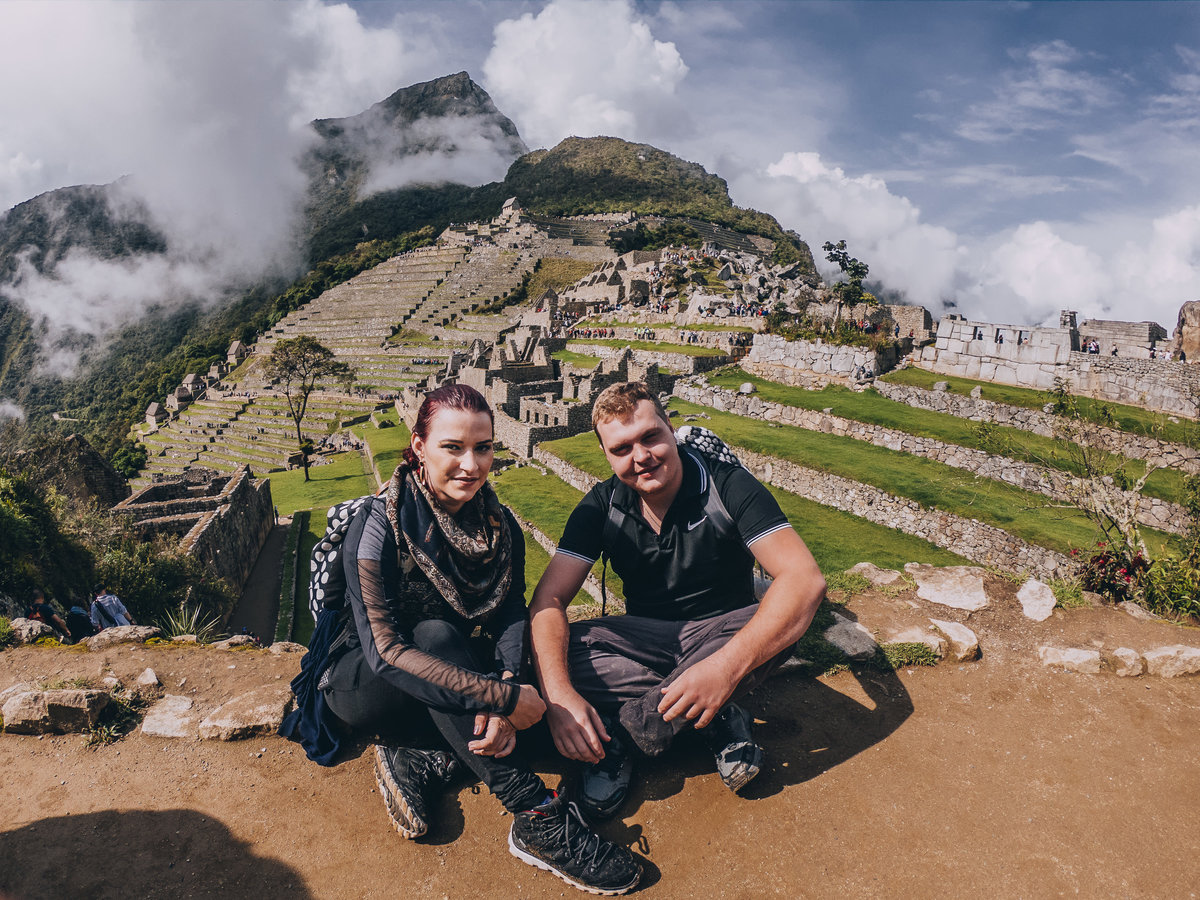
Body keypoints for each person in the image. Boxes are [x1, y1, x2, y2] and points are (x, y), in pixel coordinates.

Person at [298, 384, 640, 895]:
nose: (471, 464)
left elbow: (510, 615)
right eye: (453, 447)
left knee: (547, 676)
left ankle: (425, 756)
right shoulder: (378, 526)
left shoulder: (499, 527)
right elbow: (386, 651)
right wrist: (501, 698)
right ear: (419, 447)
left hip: (450, 677)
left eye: (483, 447)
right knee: (434, 635)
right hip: (363, 682)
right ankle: (534, 814)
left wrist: (506, 683)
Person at [529, 382, 826, 822]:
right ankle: (715, 715)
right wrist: (560, 697)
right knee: (555, 647)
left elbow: (804, 580)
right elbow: (548, 599)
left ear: (671, 428)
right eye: (622, 448)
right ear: (606, 455)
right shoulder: (602, 506)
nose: (641, 456)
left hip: (723, 631)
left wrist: (724, 669)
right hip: (644, 638)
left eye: (650, 436)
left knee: (779, 623)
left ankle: (618, 742)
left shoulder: (726, 484)